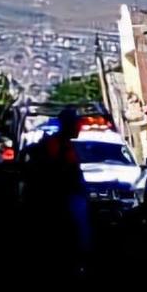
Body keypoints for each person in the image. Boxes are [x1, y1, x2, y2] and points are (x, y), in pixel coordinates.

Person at [23, 108, 90, 273]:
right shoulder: (56, 145)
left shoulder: (65, 144)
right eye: (76, 123)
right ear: (69, 124)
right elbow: (61, 172)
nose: (79, 127)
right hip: (62, 199)